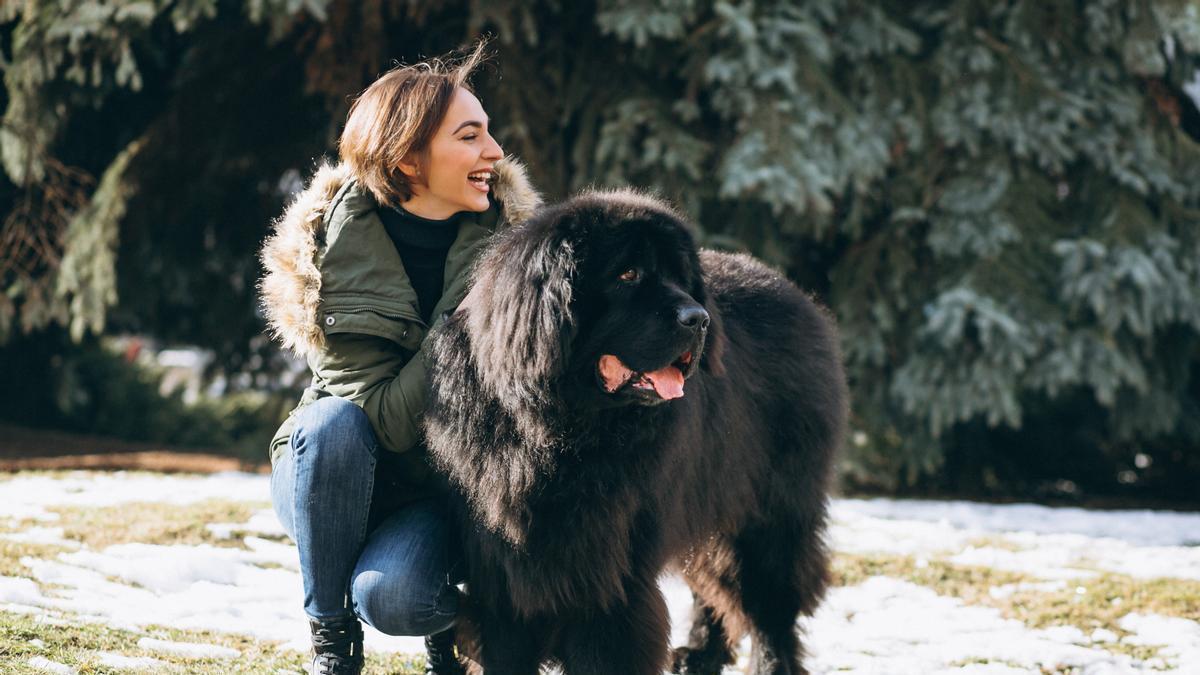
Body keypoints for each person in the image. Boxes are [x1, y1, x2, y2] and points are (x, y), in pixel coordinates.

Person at [258, 43, 541, 675]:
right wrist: (463, 323)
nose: (495, 153)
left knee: (394, 599)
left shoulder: (514, 255)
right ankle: (332, 640)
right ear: (408, 159)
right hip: (331, 474)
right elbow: (380, 421)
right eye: (470, 137)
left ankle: (451, 628)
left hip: (439, 491)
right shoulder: (335, 249)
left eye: (489, 133)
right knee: (330, 424)